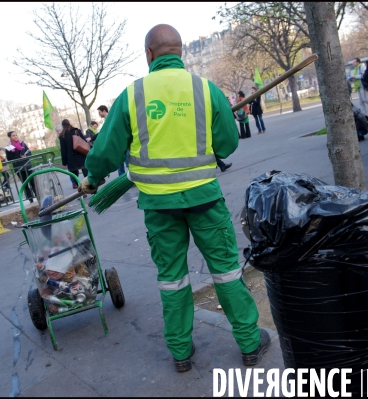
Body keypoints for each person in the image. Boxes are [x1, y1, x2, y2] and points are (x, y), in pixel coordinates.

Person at [78, 24, 269, 372]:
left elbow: (105, 152)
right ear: (180, 52)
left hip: (158, 207)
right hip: (205, 202)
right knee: (226, 272)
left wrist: (92, 179)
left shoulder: (132, 95)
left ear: (149, 54)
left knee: (172, 279)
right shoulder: (204, 89)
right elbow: (227, 144)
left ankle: (181, 353)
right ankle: (249, 344)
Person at [5, 131, 36, 203]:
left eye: (16, 135)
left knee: (32, 182)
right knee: (25, 184)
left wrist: (26, 156)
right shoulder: (9, 147)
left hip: (27, 165)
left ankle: (37, 196)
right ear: (10, 137)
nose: (15, 136)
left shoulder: (22, 144)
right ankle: (30, 198)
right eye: (13, 136)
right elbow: (9, 158)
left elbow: (29, 152)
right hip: (18, 167)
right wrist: (17, 157)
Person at [99, 105, 129, 176]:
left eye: (99, 112)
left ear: (104, 111)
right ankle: (125, 178)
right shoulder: (109, 118)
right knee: (123, 162)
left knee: (124, 161)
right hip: (119, 142)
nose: (99, 114)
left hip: (119, 142)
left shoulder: (111, 118)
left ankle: (125, 179)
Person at [58, 119, 88, 189]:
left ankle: (81, 192)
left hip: (71, 158)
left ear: (62, 126)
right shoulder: (77, 131)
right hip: (81, 155)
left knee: (74, 176)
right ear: (69, 123)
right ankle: (90, 189)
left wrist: (64, 162)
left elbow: (63, 150)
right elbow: (84, 142)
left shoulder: (62, 135)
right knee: (86, 174)